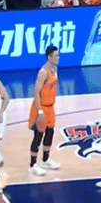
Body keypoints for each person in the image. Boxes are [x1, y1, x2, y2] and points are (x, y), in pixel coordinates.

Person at [27, 46, 61, 176]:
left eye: (58, 55)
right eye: (55, 55)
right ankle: (32, 165)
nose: (58, 57)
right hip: (40, 107)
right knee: (38, 135)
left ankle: (45, 160)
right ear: (49, 57)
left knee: (50, 133)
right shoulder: (43, 72)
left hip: (50, 107)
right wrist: (40, 111)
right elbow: (36, 91)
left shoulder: (55, 69)